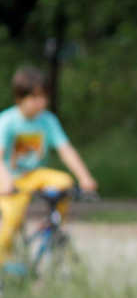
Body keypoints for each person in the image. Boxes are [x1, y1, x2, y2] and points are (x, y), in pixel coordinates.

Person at [1, 67, 99, 265]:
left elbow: (66, 150)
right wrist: (5, 181)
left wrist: (85, 177)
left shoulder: (48, 120)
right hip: (11, 178)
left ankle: (55, 226)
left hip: (36, 174)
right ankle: (3, 260)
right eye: (35, 98)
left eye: (44, 97)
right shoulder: (7, 121)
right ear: (20, 98)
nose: (41, 103)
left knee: (64, 182)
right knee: (10, 221)